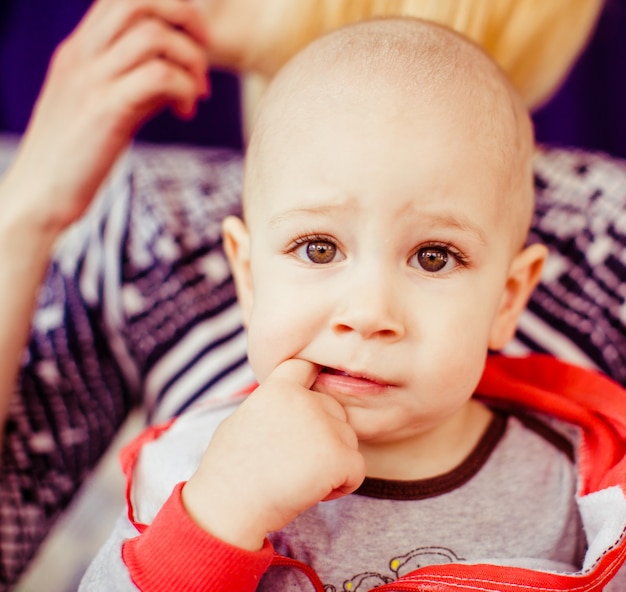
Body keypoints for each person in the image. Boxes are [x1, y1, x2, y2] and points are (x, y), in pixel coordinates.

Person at [1, 0, 623, 587]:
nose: (369, 314)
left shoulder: (584, 485)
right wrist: (213, 523)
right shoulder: (191, 467)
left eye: (434, 258)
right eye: (318, 249)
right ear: (245, 272)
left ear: (509, 296)